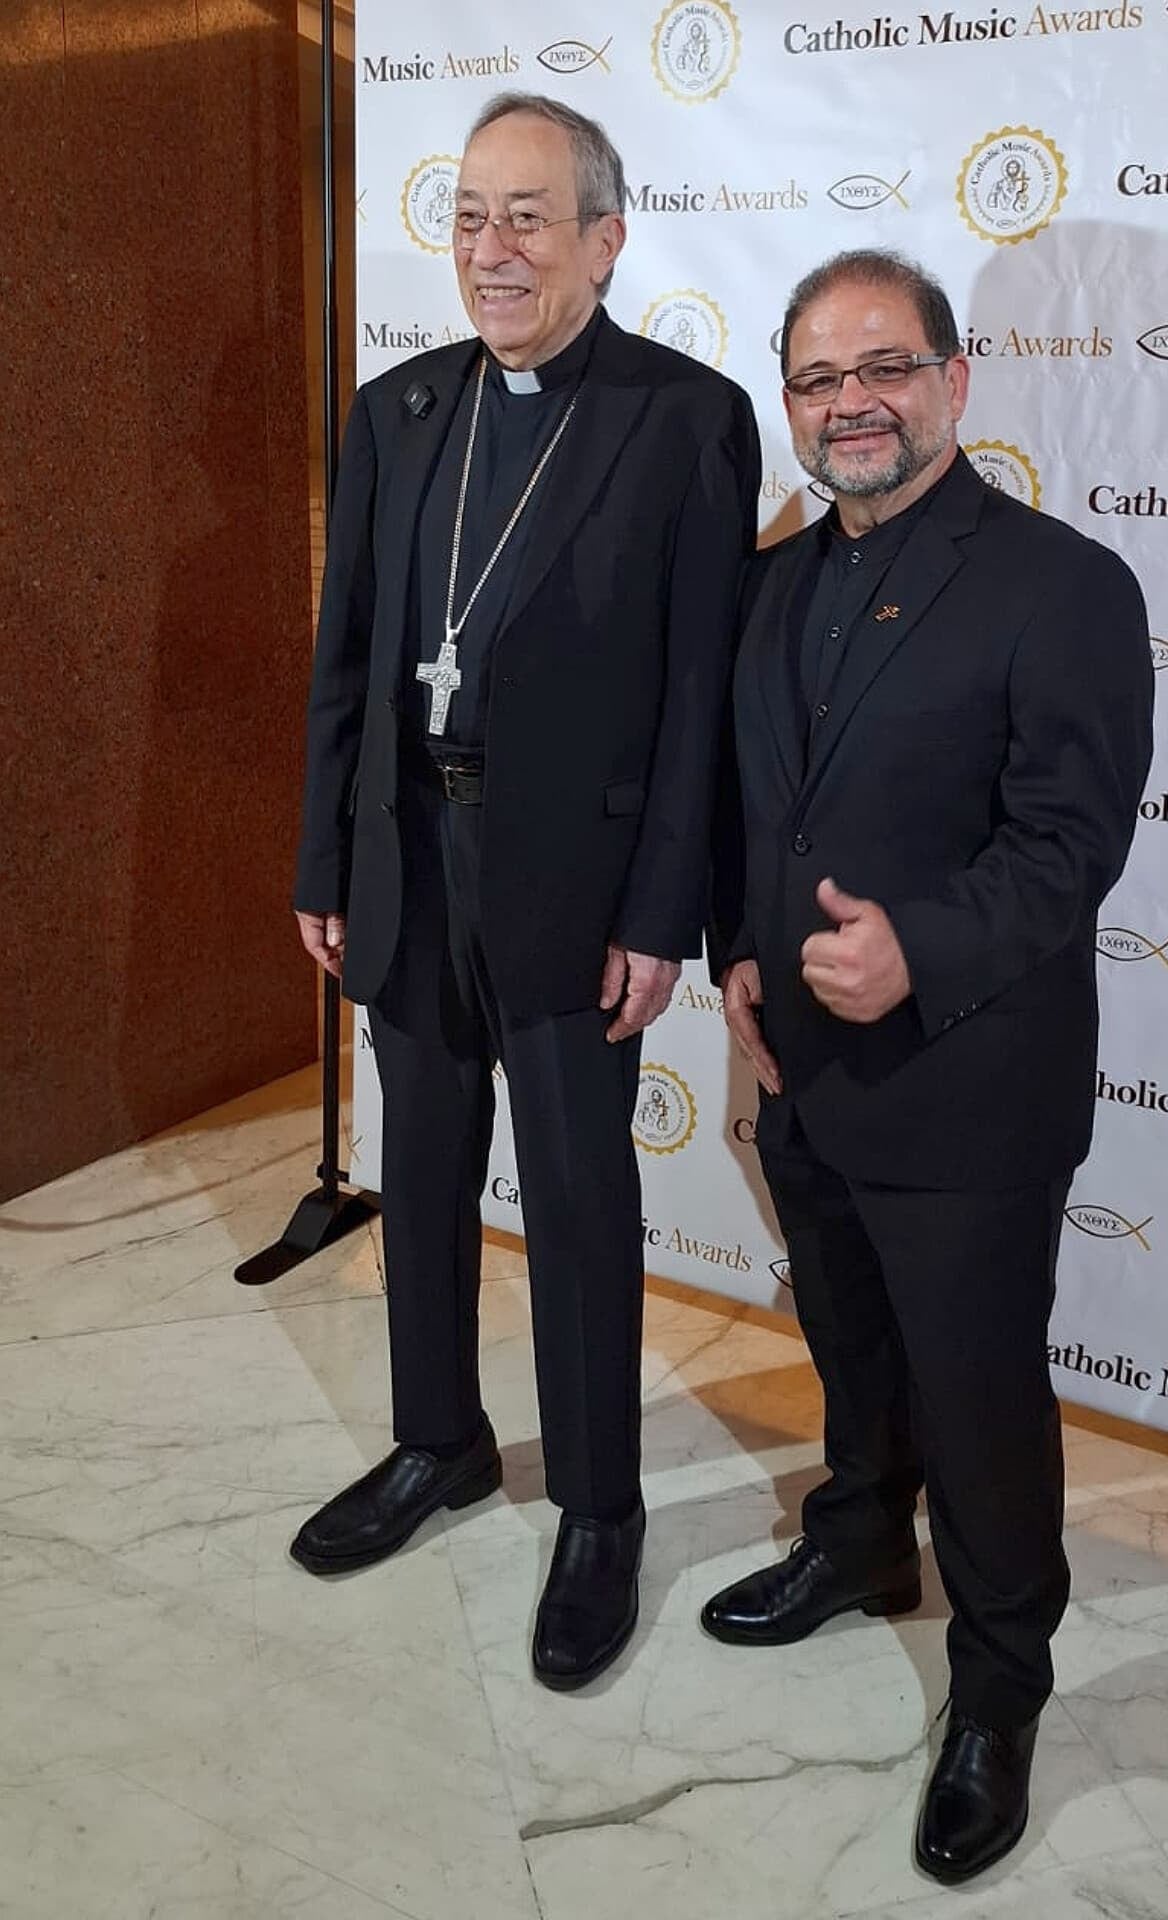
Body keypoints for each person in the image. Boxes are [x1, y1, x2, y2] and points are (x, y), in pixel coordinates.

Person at [290, 92, 759, 1692]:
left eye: (529, 219)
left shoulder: (684, 418)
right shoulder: (400, 409)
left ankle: (603, 1513)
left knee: (575, 1201)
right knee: (419, 1174)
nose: (492, 254)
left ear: (606, 240)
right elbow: (346, 657)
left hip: (575, 883)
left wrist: (661, 914)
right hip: (406, 858)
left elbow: (698, 697)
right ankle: (439, 1444)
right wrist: (322, 861)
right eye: (471, 217)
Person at [703, 250, 1152, 1881]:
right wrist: (739, 958)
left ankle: (1000, 1681)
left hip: (971, 1080)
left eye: (883, 368)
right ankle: (858, 1549)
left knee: (976, 1392)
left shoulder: (1063, 584)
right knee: (850, 1344)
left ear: (956, 381)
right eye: (818, 382)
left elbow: (1072, 842)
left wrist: (921, 948)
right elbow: (755, 810)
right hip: (803, 1066)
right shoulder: (769, 580)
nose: (851, 405)